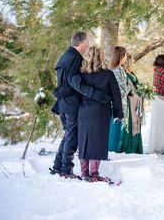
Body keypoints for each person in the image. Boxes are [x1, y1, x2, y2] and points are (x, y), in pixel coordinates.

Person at [50, 31, 111, 178]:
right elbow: (75, 83)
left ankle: (58, 166)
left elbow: (67, 82)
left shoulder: (65, 55)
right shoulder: (75, 58)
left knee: (68, 136)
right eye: (88, 42)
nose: (88, 45)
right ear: (82, 43)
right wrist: (96, 94)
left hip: (64, 103)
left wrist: (59, 92)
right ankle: (66, 170)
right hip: (71, 104)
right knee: (72, 138)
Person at [78, 47, 123, 180]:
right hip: (101, 111)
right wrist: (118, 114)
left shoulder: (81, 75)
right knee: (97, 141)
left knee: (84, 140)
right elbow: (116, 95)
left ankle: (84, 172)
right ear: (101, 57)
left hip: (84, 111)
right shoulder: (107, 74)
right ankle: (94, 173)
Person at [108, 46, 131, 153]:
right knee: (116, 134)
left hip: (116, 105)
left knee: (116, 133)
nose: (126, 57)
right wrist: (130, 88)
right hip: (118, 105)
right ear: (121, 56)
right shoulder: (117, 70)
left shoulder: (113, 69)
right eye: (126, 55)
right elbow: (121, 91)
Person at [120, 54, 143, 154]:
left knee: (137, 122)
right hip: (129, 102)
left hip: (136, 101)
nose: (133, 62)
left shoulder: (131, 72)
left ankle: (136, 147)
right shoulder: (124, 73)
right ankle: (129, 148)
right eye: (132, 60)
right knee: (131, 123)